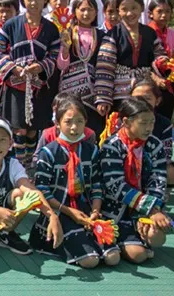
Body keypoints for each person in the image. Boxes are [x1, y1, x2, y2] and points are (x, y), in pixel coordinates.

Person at [33, 97, 119, 268]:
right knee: (90, 261)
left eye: (79, 121)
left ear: (86, 122)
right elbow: (42, 190)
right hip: (59, 210)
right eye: (68, 122)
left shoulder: (92, 151)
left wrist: (95, 211)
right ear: (57, 123)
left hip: (86, 209)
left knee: (113, 257)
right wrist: (69, 211)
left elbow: (97, 184)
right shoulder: (48, 153)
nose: (74, 127)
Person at [0, 118, 63, 256]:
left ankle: (5, 234)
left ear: (10, 143)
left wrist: (52, 216)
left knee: (22, 194)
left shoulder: (13, 164)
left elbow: (32, 192)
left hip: (6, 218)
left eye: (2, 140)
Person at [0, 0, 60, 170]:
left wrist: (41, 66)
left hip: (39, 88)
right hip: (15, 86)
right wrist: (13, 68)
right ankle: (19, 166)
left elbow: (54, 54)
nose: (34, 2)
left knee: (33, 129)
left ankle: (31, 166)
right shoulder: (12, 25)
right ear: (23, 0)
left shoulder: (51, 28)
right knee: (18, 129)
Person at [98, 98, 170, 263]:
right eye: (143, 123)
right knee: (139, 256)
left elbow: (158, 180)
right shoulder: (112, 146)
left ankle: (133, 238)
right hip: (113, 209)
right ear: (126, 122)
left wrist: (152, 210)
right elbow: (115, 186)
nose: (149, 128)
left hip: (143, 208)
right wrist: (150, 208)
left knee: (157, 237)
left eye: (152, 122)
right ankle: (121, 239)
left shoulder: (155, 145)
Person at [94, 0, 168, 113]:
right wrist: (103, 98)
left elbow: (159, 55)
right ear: (118, 11)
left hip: (145, 91)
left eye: (134, 8)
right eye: (124, 9)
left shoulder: (150, 33)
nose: (129, 13)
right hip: (120, 94)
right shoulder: (113, 35)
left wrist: (163, 63)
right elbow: (105, 67)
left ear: (142, 8)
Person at [57, 0, 105, 133]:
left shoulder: (102, 35)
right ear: (74, 12)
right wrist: (65, 49)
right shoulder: (67, 33)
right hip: (70, 93)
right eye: (82, 9)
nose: (86, 13)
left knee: (94, 130)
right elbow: (61, 66)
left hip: (94, 94)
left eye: (90, 9)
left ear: (96, 12)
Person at [147, 0, 174, 119]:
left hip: (169, 82)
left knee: (165, 117)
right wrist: (156, 79)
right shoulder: (145, 32)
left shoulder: (173, 34)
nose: (164, 15)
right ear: (150, 14)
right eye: (159, 11)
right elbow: (143, 60)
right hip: (150, 80)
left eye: (167, 11)